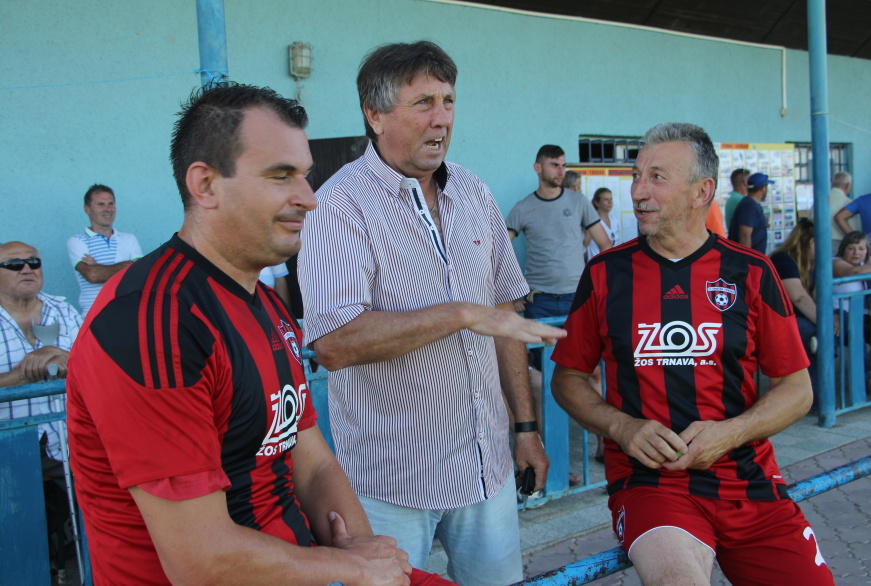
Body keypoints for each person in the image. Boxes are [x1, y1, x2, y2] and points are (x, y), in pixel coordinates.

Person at [67, 82, 451, 586]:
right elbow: (200, 562)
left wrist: (369, 559)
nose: (309, 199)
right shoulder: (152, 319)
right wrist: (355, 567)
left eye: (305, 176)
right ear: (205, 185)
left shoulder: (264, 301)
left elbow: (312, 463)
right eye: (280, 176)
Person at [298, 41, 565, 586]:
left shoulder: (473, 190)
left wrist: (525, 428)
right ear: (375, 115)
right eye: (423, 102)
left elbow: (504, 317)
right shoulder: (339, 206)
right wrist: (461, 314)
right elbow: (335, 343)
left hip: (486, 470)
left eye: (448, 101)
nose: (441, 118)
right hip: (391, 485)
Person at [551, 122, 834, 586]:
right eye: (636, 176)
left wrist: (732, 432)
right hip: (652, 485)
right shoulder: (604, 274)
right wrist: (621, 427)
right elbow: (567, 378)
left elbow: (797, 389)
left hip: (749, 481)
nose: (638, 191)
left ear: (702, 191)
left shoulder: (752, 272)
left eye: (656, 178)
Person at [0, 241, 82, 478]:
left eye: (33, 262)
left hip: (66, 442)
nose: (27, 269)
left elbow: (96, 368)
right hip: (8, 447)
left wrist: (63, 358)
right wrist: (25, 373)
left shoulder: (63, 310)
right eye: (15, 264)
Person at [507, 145, 612, 322]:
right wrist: (512, 293)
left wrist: (598, 283)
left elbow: (605, 244)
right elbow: (500, 251)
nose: (561, 171)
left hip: (577, 295)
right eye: (554, 165)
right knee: (542, 342)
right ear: (538, 168)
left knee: (581, 341)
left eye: (563, 165)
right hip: (538, 299)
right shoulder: (523, 208)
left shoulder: (579, 202)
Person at [770, 219, 826, 403]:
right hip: (776, 320)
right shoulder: (782, 260)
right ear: (812, 242)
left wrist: (832, 318)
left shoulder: (812, 263)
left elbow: (817, 297)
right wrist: (825, 323)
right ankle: (815, 399)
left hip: (797, 319)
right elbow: (799, 297)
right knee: (817, 334)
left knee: (849, 326)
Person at [67, 184, 143, 314]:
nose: (108, 209)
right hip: (94, 315)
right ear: (87, 209)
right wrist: (130, 265)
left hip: (128, 313)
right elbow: (93, 275)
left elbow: (140, 273)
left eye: (111, 203)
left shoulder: (129, 239)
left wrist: (99, 267)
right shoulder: (76, 241)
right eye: (101, 204)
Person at [809, 171, 858, 250]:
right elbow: (854, 229)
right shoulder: (848, 203)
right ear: (848, 185)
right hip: (840, 244)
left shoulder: (819, 202)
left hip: (817, 244)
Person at [728, 171, 772, 253]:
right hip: (748, 259)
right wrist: (747, 259)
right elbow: (744, 235)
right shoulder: (750, 205)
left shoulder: (750, 204)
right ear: (763, 188)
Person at [584, 187, 620, 259]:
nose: (610, 202)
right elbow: (584, 246)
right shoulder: (592, 222)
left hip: (613, 261)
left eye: (611, 199)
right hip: (597, 262)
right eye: (606, 199)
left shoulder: (615, 221)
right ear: (597, 203)